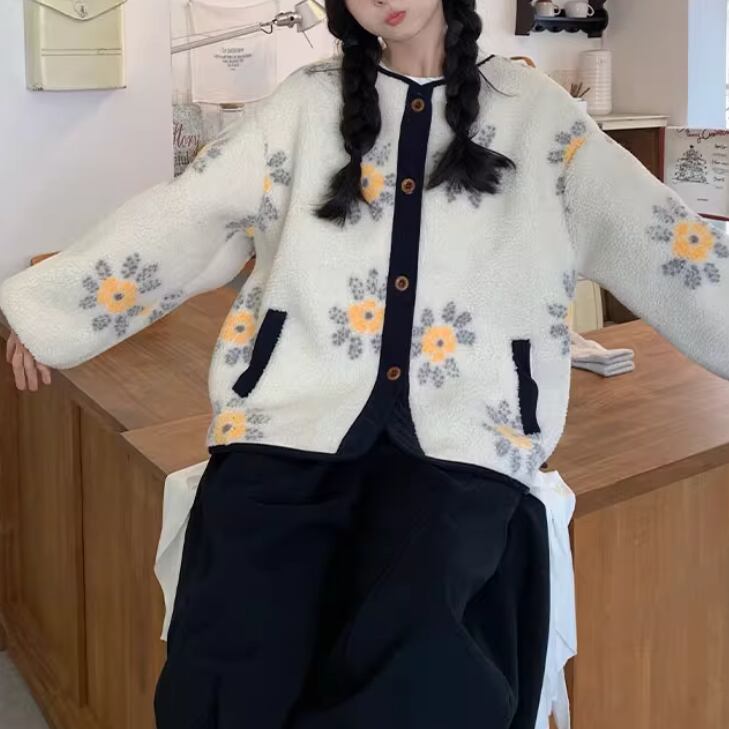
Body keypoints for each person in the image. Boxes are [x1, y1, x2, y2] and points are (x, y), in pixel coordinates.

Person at [3, 0, 729, 726]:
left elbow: (664, 243)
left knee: (423, 662)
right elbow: (186, 213)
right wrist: (51, 313)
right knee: (229, 652)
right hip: (289, 425)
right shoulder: (302, 106)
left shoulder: (540, 117)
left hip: (465, 440)